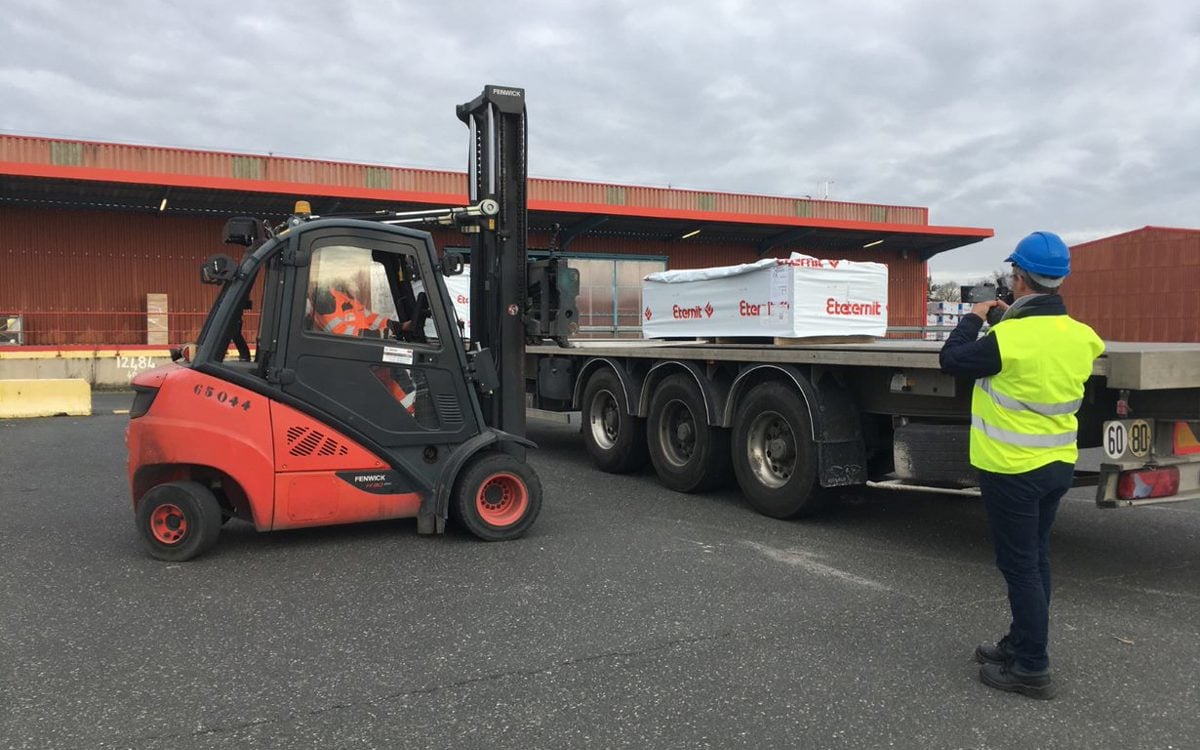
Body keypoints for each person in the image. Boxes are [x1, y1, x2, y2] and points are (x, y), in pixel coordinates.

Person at [939, 231, 1104, 700]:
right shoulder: (1081, 336)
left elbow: (951, 359)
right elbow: (1065, 349)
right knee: (1036, 559)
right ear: (1060, 280)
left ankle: (1031, 665)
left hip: (1011, 468)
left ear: (1019, 278)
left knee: (1020, 567)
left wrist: (975, 317)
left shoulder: (1007, 337)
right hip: (1057, 465)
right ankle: (1020, 643)